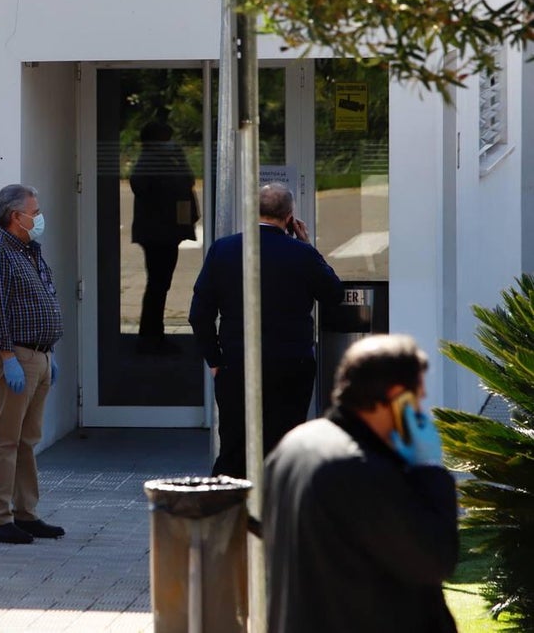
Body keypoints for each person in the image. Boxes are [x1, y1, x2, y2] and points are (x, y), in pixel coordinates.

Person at [263, 334, 458, 633]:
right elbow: (434, 557)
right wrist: (429, 469)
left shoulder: (295, 444)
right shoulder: (360, 469)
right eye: (417, 399)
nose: (420, 412)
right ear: (397, 398)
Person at [188, 181, 343, 478]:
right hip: (291, 364)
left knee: (234, 445)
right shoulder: (301, 254)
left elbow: (199, 314)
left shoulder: (224, 250)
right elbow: (333, 294)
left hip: (237, 362)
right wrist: (307, 246)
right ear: (289, 217)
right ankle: (277, 514)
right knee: (284, 443)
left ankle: (228, 514)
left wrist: (215, 359)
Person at [0, 184, 66, 544]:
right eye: (35, 211)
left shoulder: (29, 251)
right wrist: (7, 356)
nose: (39, 217)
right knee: (5, 440)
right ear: (16, 216)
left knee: (27, 440)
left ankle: (25, 513)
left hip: (40, 356)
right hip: (17, 358)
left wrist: (49, 355)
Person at [129, 118, 199, 355]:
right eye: (166, 140)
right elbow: (141, 185)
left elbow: (187, 180)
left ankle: (153, 336)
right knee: (157, 285)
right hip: (157, 233)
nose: (170, 143)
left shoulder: (166, 160)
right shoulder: (149, 161)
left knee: (161, 284)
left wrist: (179, 157)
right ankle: (150, 338)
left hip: (167, 230)